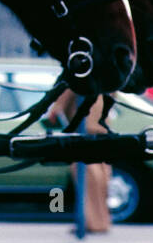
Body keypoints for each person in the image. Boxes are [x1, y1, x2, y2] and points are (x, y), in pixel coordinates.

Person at [44, 88, 113, 234]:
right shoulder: (107, 70)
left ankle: (91, 223)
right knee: (101, 177)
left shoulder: (80, 68)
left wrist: (55, 111)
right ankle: (102, 222)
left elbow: (68, 90)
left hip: (84, 126)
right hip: (101, 125)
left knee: (87, 177)